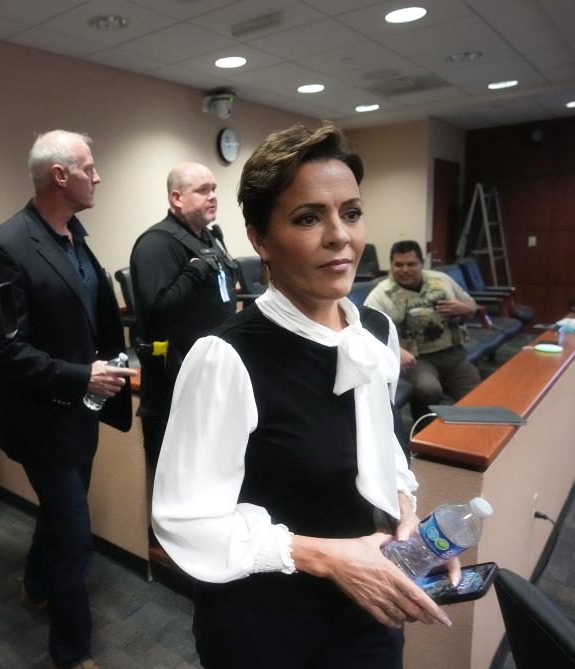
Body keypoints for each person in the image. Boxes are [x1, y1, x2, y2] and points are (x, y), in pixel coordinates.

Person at [152, 123, 458, 669]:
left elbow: (380, 447)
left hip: (369, 609)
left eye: (352, 213)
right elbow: (186, 520)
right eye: (308, 218)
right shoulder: (226, 357)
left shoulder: (376, 331)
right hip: (268, 625)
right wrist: (327, 557)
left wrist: (407, 516)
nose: (340, 235)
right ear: (259, 239)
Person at [0, 130, 135, 669]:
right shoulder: (6, 246)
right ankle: (71, 653)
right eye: (90, 167)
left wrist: (112, 364)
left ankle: (37, 583)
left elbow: (87, 316)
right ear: (59, 175)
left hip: (79, 416)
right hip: (40, 421)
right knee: (75, 536)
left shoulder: (74, 236)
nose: (98, 175)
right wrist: (76, 376)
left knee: (63, 517)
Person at [128, 162, 236, 516]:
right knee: (176, 475)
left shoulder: (210, 238)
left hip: (212, 373)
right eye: (203, 190)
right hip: (174, 381)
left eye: (214, 189)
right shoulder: (156, 244)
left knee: (210, 468)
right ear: (176, 198)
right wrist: (195, 270)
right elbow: (157, 313)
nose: (213, 197)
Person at [364, 240, 481, 418]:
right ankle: (423, 436)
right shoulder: (381, 294)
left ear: (422, 263)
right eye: (398, 264)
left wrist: (466, 309)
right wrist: (397, 351)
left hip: (453, 354)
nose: (404, 269)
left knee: (476, 396)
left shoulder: (441, 280)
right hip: (417, 360)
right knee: (429, 390)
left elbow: (471, 304)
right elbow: (365, 330)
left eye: (411, 264)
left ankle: (465, 438)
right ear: (391, 265)